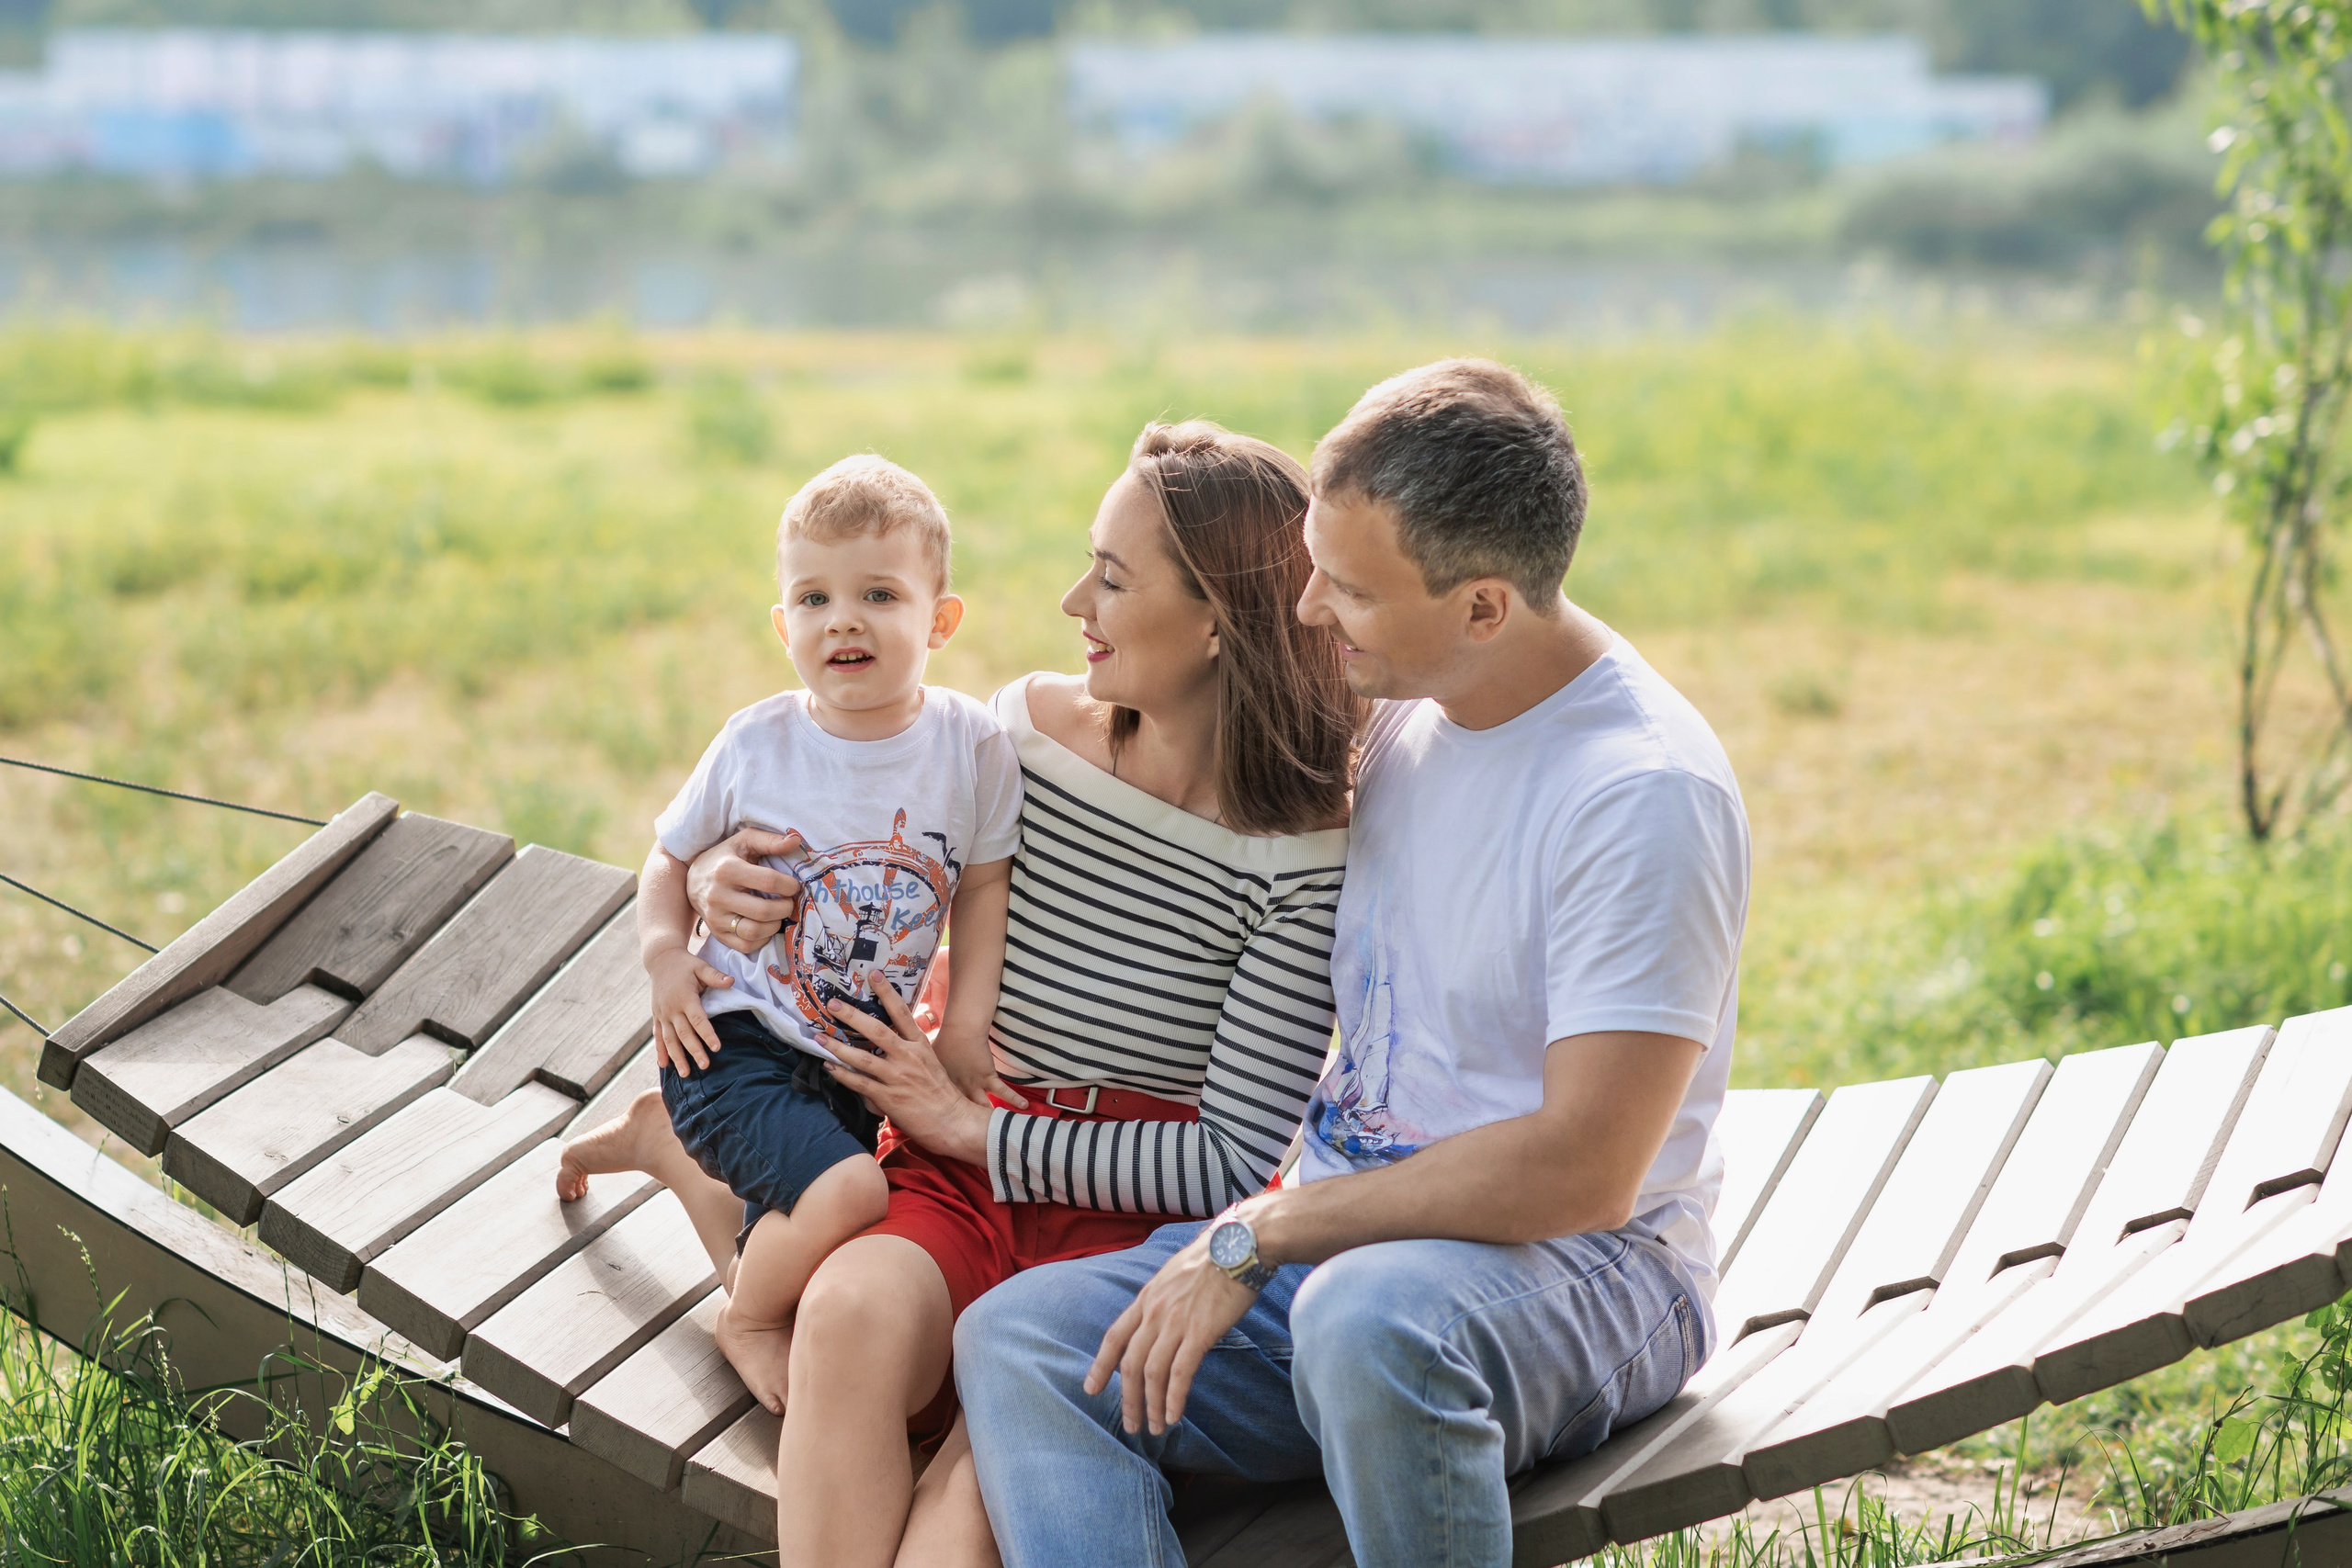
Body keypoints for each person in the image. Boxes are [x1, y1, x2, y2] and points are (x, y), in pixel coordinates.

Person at [956, 359, 1752, 1568]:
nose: (1310, 611)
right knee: (1022, 1336)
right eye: (1312, 567)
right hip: (1339, 1252)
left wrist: (1260, 1232)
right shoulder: (1402, 710)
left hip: (1587, 1271)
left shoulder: (1637, 794)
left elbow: (1590, 1168)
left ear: (1485, 605)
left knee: (1369, 1319)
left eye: (1350, 590)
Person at [673, 421, 1362, 1565]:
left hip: (1129, 1228)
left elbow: (1233, 1163)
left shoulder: (1303, 851)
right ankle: (680, 1155)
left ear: (1214, 622)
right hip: (954, 1172)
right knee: (844, 1316)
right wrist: (717, 874)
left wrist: (973, 1128)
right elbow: (852, 834)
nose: (1067, 600)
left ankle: (675, 1167)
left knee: (966, 1510)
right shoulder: (1019, 738)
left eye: (1110, 575)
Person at [557, 454, 1023, 1416]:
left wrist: (965, 1026)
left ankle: (660, 1147)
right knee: (849, 1198)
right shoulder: (756, 743)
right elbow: (667, 863)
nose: (841, 619)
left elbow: (983, 889)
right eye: (812, 597)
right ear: (784, 626)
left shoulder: (970, 745)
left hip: (849, 1064)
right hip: (732, 1046)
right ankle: (744, 1322)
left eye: (878, 594)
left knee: (828, 1266)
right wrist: (663, 962)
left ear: (941, 620)